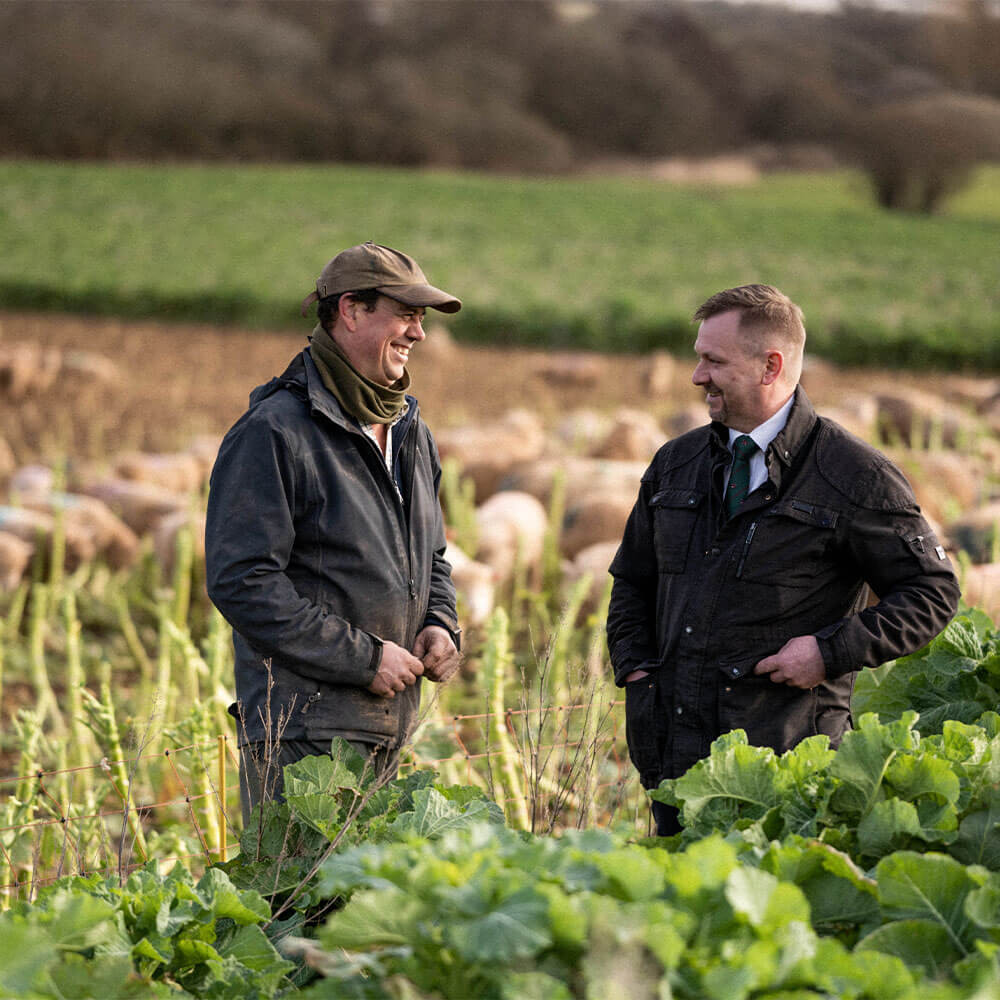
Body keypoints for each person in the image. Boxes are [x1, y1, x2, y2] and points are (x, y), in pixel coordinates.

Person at [606, 284, 960, 836]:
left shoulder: (854, 477)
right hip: (673, 759)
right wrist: (635, 666)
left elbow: (932, 593)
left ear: (770, 366)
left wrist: (828, 651)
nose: (697, 376)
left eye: (713, 361)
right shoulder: (677, 463)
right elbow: (631, 579)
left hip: (786, 769)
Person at [206, 242, 463, 825]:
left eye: (421, 319)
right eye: (406, 314)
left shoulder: (410, 431)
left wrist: (439, 622)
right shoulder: (274, 431)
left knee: (359, 910)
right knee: (301, 910)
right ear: (350, 310)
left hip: (385, 726)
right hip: (303, 736)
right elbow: (242, 580)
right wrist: (363, 658)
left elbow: (432, 558)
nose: (418, 334)